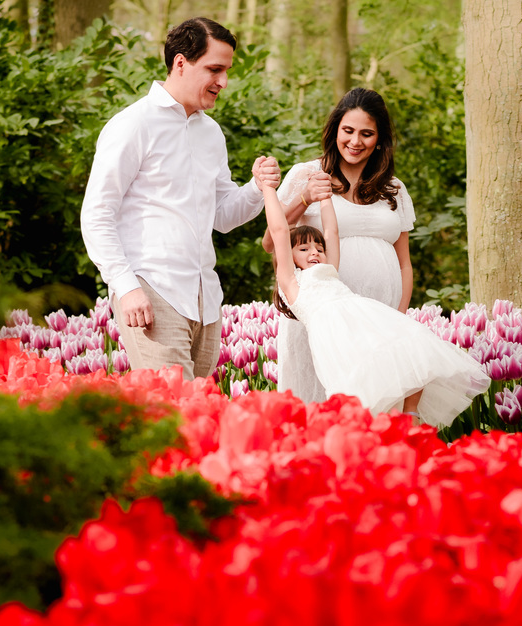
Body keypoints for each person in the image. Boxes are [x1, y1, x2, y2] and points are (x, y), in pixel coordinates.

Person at [81, 17, 281, 377]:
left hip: (206, 299)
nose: (223, 82)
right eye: (214, 69)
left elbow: (221, 216)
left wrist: (256, 187)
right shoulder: (133, 125)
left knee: (198, 419)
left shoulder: (211, 132)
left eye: (226, 71)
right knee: (173, 415)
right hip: (152, 291)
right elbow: (97, 214)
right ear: (180, 64)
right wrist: (126, 287)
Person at [259, 174, 488, 427]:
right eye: (304, 249)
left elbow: (331, 230)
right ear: (289, 258)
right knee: (367, 390)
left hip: (365, 320)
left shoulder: (330, 269)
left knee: (413, 350)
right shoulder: (292, 282)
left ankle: (411, 415)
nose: (314, 252)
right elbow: (279, 231)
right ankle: (384, 431)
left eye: (318, 248)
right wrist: (268, 188)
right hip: (336, 338)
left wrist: (325, 198)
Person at [265, 88, 414, 403]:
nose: (355, 141)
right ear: (335, 131)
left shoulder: (394, 188)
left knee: (377, 400)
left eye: (367, 133)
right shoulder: (307, 173)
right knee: (319, 397)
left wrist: (400, 316)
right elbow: (270, 241)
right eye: (348, 131)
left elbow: (404, 263)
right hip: (320, 313)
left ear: (380, 139)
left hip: (380, 314)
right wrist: (304, 196)